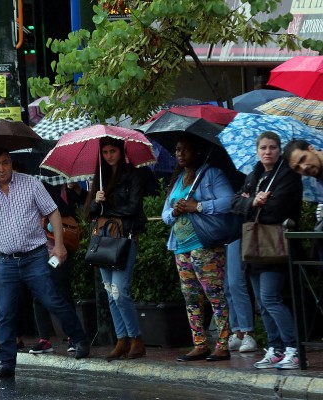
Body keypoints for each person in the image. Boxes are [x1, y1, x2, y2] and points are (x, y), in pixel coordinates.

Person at [0, 147, 90, 379]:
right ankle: (6, 363)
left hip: (35, 257)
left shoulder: (30, 183)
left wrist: (60, 245)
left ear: (10, 162)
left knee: (53, 300)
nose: (1, 169)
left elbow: (53, 212)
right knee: (4, 313)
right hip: (5, 261)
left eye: (5, 162)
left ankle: (80, 339)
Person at [232, 131, 303, 370]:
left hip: (275, 245)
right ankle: (275, 348)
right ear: (257, 150)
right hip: (254, 247)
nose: (267, 152)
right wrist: (252, 202)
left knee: (271, 298)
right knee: (262, 303)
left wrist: (252, 204)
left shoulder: (288, 176)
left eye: (272, 147)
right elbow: (235, 203)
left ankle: (292, 348)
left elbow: (276, 211)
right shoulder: (255, 174)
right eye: (263, 147)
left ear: (279, 150)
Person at [161, 136, 232, 362]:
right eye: (177, 150)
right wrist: (175, 212)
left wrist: (198, 205)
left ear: (197, 152)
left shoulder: (211, 174)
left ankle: (223, 343)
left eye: (185, 150)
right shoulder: (178, 179)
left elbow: (229, 200)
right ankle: (199, 344)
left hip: (204, 245)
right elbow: (165, 216)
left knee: (215, 294)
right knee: (191, 297)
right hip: (180, 246)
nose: (180, 154)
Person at [83, 137, 147, 360]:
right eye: (105, 152)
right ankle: (122, 339)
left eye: (113, 151)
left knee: (120, 291)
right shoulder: (100, 177)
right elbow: (89, 213)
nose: (109, 156)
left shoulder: (132, 175)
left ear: (121, 150)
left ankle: (136, 338)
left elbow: (134, 208)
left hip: (123, 237)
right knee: (110, 291)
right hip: (103, 237)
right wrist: (96, 202)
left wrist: (107, 205)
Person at [29, 181, 86, 355]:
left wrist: (45, 223)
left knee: (61, 290)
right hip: (38, 258)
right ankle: (44, 339)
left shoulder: (55, 208)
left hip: (56, 256)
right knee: (38, 296)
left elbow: (58, 224)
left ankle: (72, 337)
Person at [225, 239, 257, 353]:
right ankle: (238, 333)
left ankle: (248, 333)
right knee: (228, 287)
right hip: (222, 236)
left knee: (236, 284)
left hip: (236, 233)